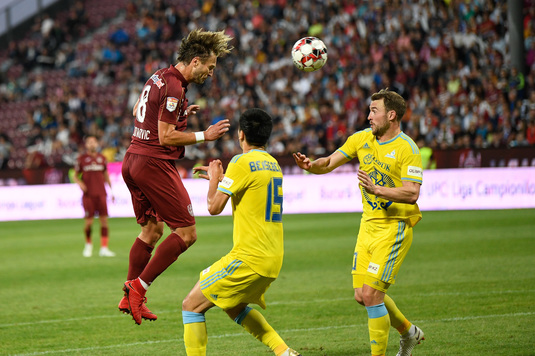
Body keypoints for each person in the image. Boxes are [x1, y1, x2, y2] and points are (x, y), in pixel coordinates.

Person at [294, 89, 425, 356]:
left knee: (372, 295)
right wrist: (311, 166)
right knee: (361, 295)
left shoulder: (407, 148)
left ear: (391, 115)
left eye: (374, 111)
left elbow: (412, 193)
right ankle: (409, 333)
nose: (368, 116)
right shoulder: (362, 139)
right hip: (367, 226)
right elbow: (329, 162)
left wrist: (378, 190)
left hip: (394, 227)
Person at [119, 29, 233, 325]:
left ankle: (128, 294)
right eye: (210, 67)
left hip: (132, 159)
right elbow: (166, 136)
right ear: (195, 61)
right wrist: (203, 136)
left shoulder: (158, 76)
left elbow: (137, 110)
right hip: (153, 163)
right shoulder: (174, 86)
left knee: (151, 232)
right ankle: (138, 288)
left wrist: (180, 109)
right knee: (187, 232)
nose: (210, 73)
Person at [181, 108, 300, 356]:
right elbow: (250, 187)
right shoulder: (273, 163)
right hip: (272, 258)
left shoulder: (240, 161)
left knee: (191, 305)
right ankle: (284, 352)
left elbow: (213, 207)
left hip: (249, 258)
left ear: (241, 134)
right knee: (233, 306)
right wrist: (223, 180)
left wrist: (215, 179)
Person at [73, 135, 116, 257]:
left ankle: (104, 248)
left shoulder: (102, 158)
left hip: (101, 194)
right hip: (88, 195)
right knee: (88, 222)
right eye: (89, 142)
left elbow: (106, 175)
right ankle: (88, 245)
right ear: (86, 145)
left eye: (94, 142)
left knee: (104, 221)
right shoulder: (81, 159)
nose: (92, 144)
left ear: (97, 144)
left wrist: (112, 191)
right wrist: (80, 183)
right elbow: (75, 175)